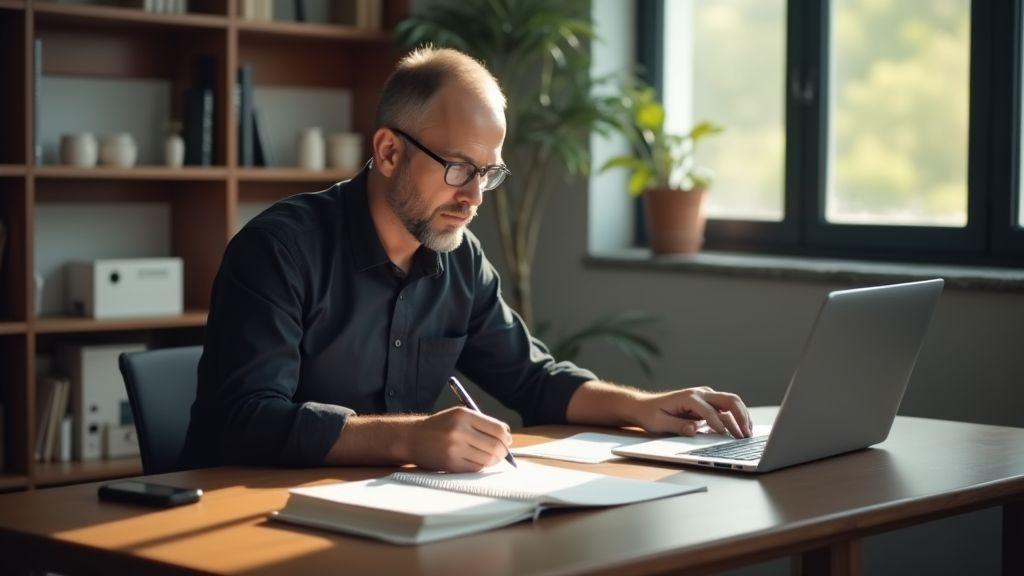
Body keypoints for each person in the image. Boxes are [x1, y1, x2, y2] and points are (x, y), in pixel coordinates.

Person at [182, 47, 752, 472]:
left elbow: (533, 379)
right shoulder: (280, 251)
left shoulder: (460, 259)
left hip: (390, 516)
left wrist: (646, 407)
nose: (475, 196)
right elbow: (245, 421)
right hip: (253, 518)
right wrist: (410, 439)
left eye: (489, 173)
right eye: (459, 168)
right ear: (388, 151)